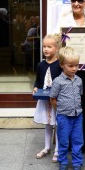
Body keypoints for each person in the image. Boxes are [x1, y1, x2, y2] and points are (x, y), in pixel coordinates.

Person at [57, 0, 85, 153]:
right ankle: (73, 143)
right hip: (70, 68)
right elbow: (57, 41)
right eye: (74, 0)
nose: (76, 4)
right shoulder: (64, 19)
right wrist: (61, 40)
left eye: (81, 1)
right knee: (72, 104)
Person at [49, 46, 84, 170]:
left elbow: (80, 95)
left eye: (76, 65)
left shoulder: (79, 80)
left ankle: (77, 165)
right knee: (63, 141)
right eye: (71, 66)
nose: (74, 68)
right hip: (63, 116)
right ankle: (63, 163)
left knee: (77, 140)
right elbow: (53, 98)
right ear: (62, 65)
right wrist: (60, 111)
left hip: (77, 116)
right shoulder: (58, 81)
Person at [33, 34, 62, 162]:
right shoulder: (41, 65)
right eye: (44, 46)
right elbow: (38, 81)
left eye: (49, 46)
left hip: (57, 100)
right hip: (45, 99)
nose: (45, 49)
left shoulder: (60, 65)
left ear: (56, 48)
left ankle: (58, 150)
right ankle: (46, 147)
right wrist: (35, 88)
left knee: (58, 123)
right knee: (48, 123)